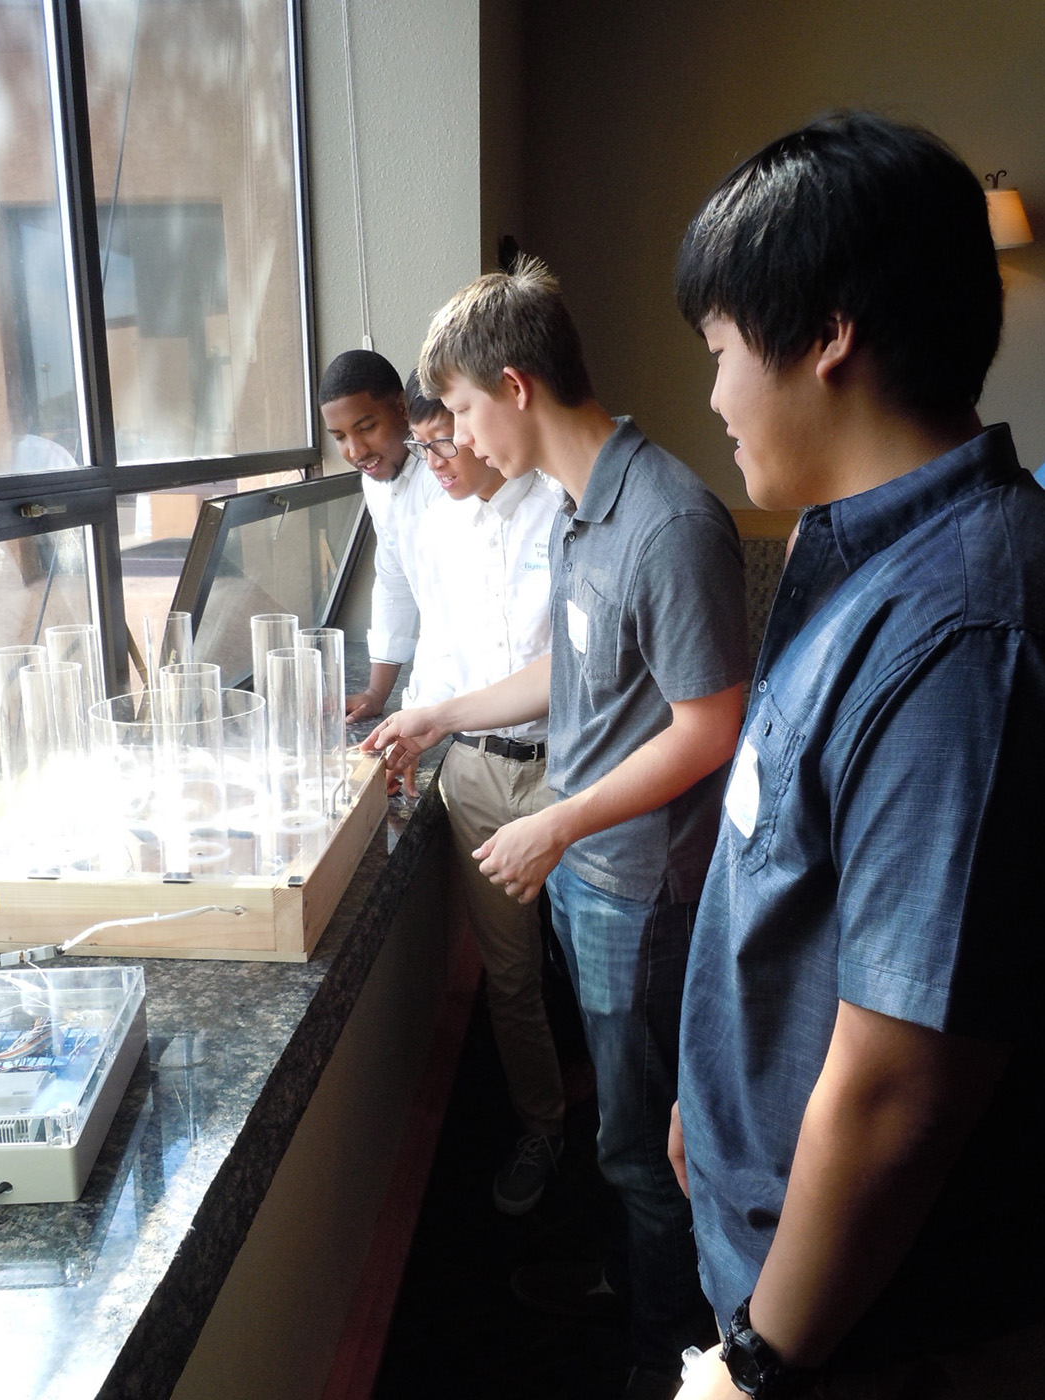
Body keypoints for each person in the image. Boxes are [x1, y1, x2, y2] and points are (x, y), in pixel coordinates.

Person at [671, 110, 1045, 1399]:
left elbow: (904, 1089)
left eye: (720, 348)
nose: (714, 395)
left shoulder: (964, 629)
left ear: (828, 330)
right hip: (794, 1266)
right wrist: (705, 1094)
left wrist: (758, 1362)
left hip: (869, 1332)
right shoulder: (862, 555)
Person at [364, 257, 748, 1396]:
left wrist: (558, 823)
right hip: (594, 864)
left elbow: (709, 727)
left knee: (651, 1141)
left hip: (641, 882)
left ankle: (665, 1354)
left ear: (517, 386)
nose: (463, 443)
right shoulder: (587, 512)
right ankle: (636, 1291)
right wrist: (438, 710)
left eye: (468, 412)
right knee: (622, 1126)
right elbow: (564, 680)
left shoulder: (670, 519)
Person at [402, 368, 567, 1214]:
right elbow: (435, 647)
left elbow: (577, 667)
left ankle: (640, 1143)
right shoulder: (433, 527)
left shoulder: (562, 502)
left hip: (570, 768)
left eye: (444, 435)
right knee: (510, 976)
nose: (434, 458)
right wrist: (410, 732)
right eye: (420, 444)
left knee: (600, 969)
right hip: (473, 771)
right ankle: (544, 1126)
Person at [318, 350, 439, 720]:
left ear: (402, 408)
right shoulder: (375, 481)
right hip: (440, 701)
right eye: (339, 437)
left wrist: (424, 712)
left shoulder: (447, 472)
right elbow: (394, 579)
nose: (355, 451)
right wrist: (376, 693)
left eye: (366, 428)